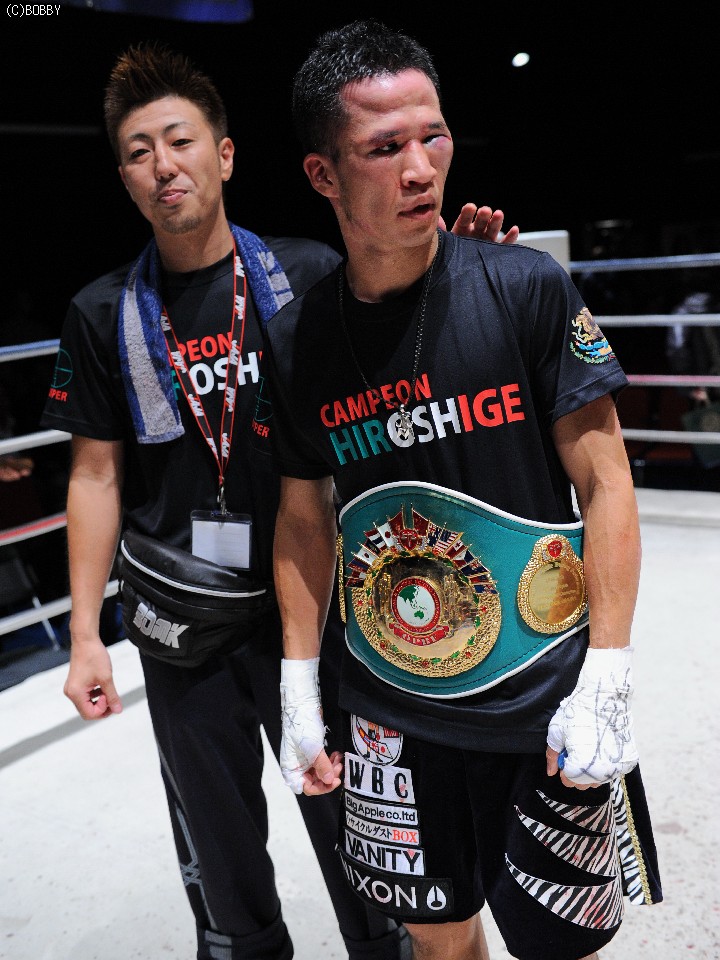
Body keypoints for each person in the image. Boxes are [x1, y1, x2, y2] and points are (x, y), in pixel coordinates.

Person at [40, 42, 517, 960]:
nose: (163, 164)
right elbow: (94, 476)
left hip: (321, 608)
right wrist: (86, 636)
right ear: (124, 177)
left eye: (180, 140)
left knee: (369, 843)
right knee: (221, 860)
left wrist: (467, 280)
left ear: (224, 155)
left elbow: (405, 363)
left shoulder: (307, 273)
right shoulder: (103, 313)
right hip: (183, 629)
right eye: (139, 151)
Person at [258, 20, 663, 960]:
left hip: (540, 691)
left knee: (560, 944)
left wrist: (608, 671)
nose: (420, 169)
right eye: (383, 148)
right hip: (388, 706)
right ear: (323, 174)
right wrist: (298, 685)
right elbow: (303, 517)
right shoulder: (294, 340)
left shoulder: (526, 288)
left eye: (432, 136)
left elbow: (606, 481)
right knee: (438, 937)